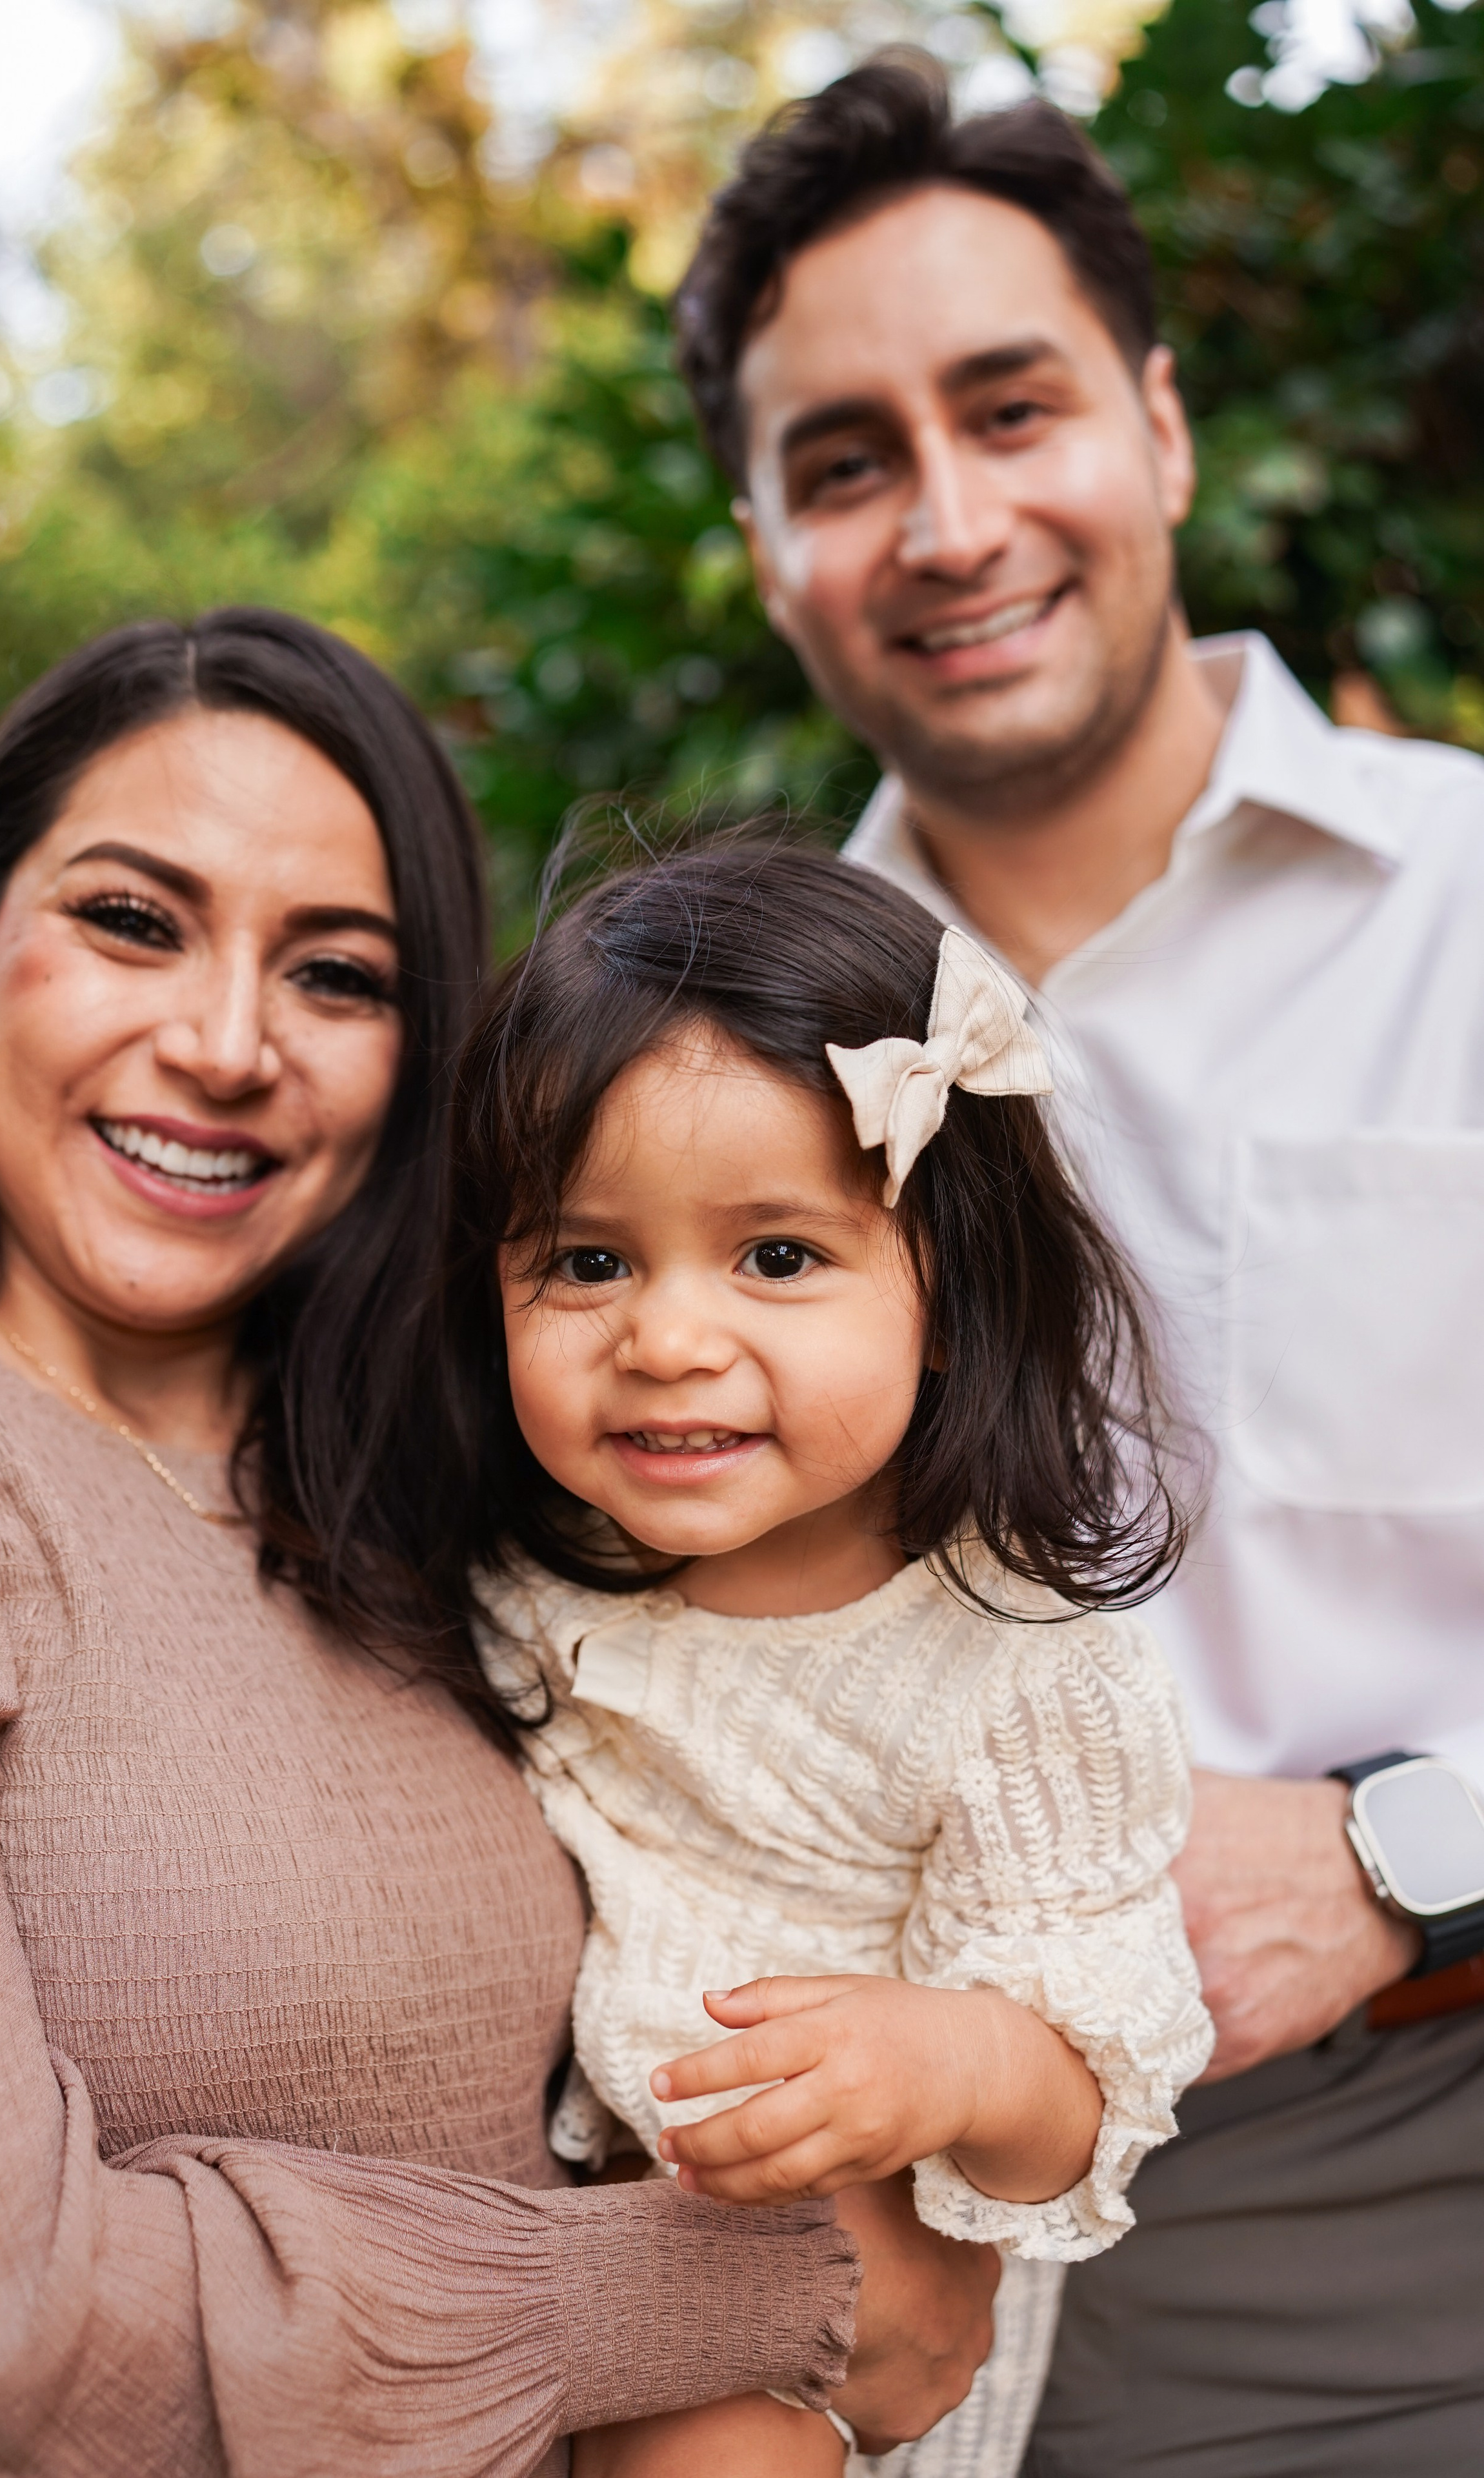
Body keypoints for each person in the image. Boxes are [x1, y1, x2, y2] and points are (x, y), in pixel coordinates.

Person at [0, 607, 1001, 2477]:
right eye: (135, 922)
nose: (222, 1045)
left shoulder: (458, 1489)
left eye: (340, 976)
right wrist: (763, 2291)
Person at [668, 50, 1484, 2475]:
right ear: (765, 542)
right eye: (843, 462)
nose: (947, 520)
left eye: (1010, 409)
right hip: (947, 2206)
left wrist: (1392, 1859)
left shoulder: (1475, 912)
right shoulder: (718, 1087)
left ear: (1160, 428)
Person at [430, 841, 1211, 2476]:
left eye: (776, 1257)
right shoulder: (528, 1574)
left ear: (954, 1290)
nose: (663, 1339)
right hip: (583, 2253)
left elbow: (1092, 2070)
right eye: (586, 1261)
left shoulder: (1015, 1670)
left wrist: (944, 2063)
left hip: (837, 2318)